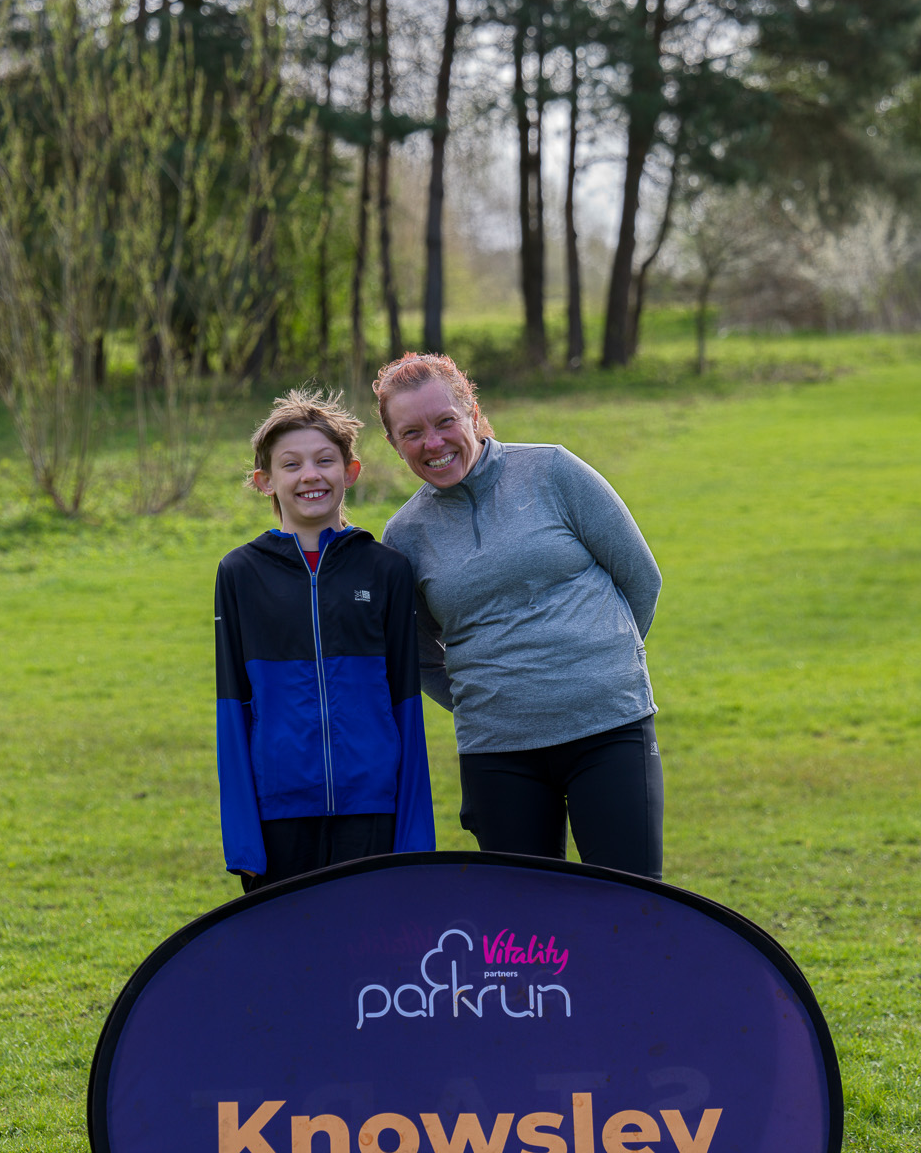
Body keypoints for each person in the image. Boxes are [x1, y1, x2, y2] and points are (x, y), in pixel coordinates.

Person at [376, 353, 664, 879]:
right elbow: (417, 655)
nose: (433, 443)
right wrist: (482, 698)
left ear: (473, 413)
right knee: (523, 932)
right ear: (395, 444)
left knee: (633, 905)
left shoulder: (552, 470)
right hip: (498, 751)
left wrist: (603, 666)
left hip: (609, 727)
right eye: (412, 432)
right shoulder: (404, 536)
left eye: (445, 422)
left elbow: (640, 577)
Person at [214, 390, 434, 892]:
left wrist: (414, 836)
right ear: (264, 481)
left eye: (324, 461)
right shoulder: (240, 574)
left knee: (371, 960)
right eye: (291, 465)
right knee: (290, 966)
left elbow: (406, 704)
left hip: (373, 806)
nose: (310, 475)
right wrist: (244, 839)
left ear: (350, 471)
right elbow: (232, 709)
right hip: (280, 813)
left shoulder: (387, 570)